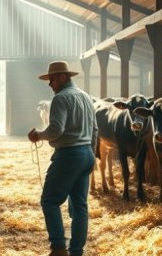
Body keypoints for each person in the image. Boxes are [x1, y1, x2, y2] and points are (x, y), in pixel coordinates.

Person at [28, 61, 97, 256]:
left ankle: (58, 248)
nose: (50, 84)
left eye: (52, 79)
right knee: (79, 206)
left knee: (49, 201)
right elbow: (95, 129)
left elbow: (56, 130)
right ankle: (76, 252)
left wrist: (38, 135)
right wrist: (91, 154)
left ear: (62, 77)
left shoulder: (60, 98)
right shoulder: (86, 97)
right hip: (86, 154)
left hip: (68, 155)